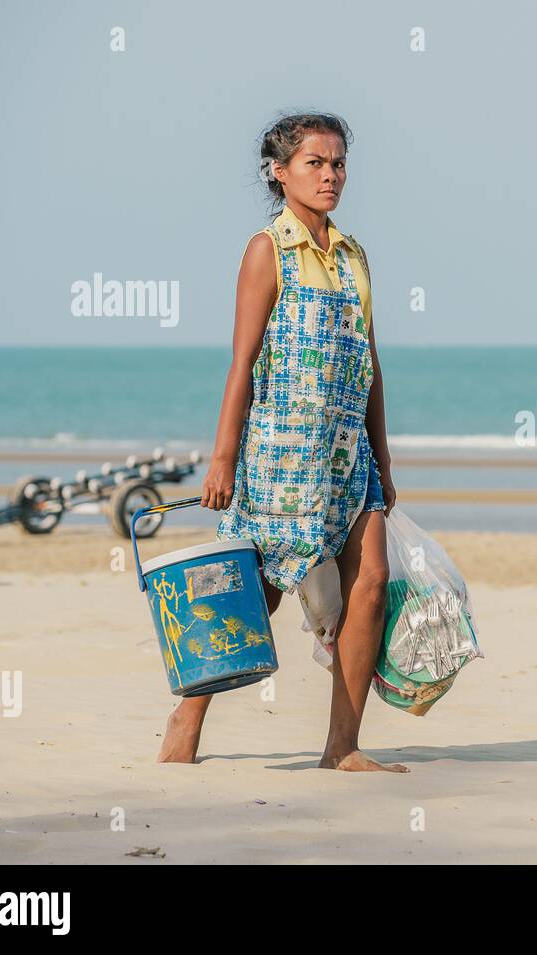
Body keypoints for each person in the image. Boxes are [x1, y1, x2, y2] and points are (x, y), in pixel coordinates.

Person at [157, 112, 407, 773]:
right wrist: (221, 457)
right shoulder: (267, 250)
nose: (330, 175)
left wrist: (383, 457)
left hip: (349, 460)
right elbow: (241, 362)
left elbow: (370, 362)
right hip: (278, 457)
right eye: (315, 163)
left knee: (372, 582)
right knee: (254, 594)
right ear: (280, 171)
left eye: (339, 163)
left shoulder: (354, 257)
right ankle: (187, 717)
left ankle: (343, 746)